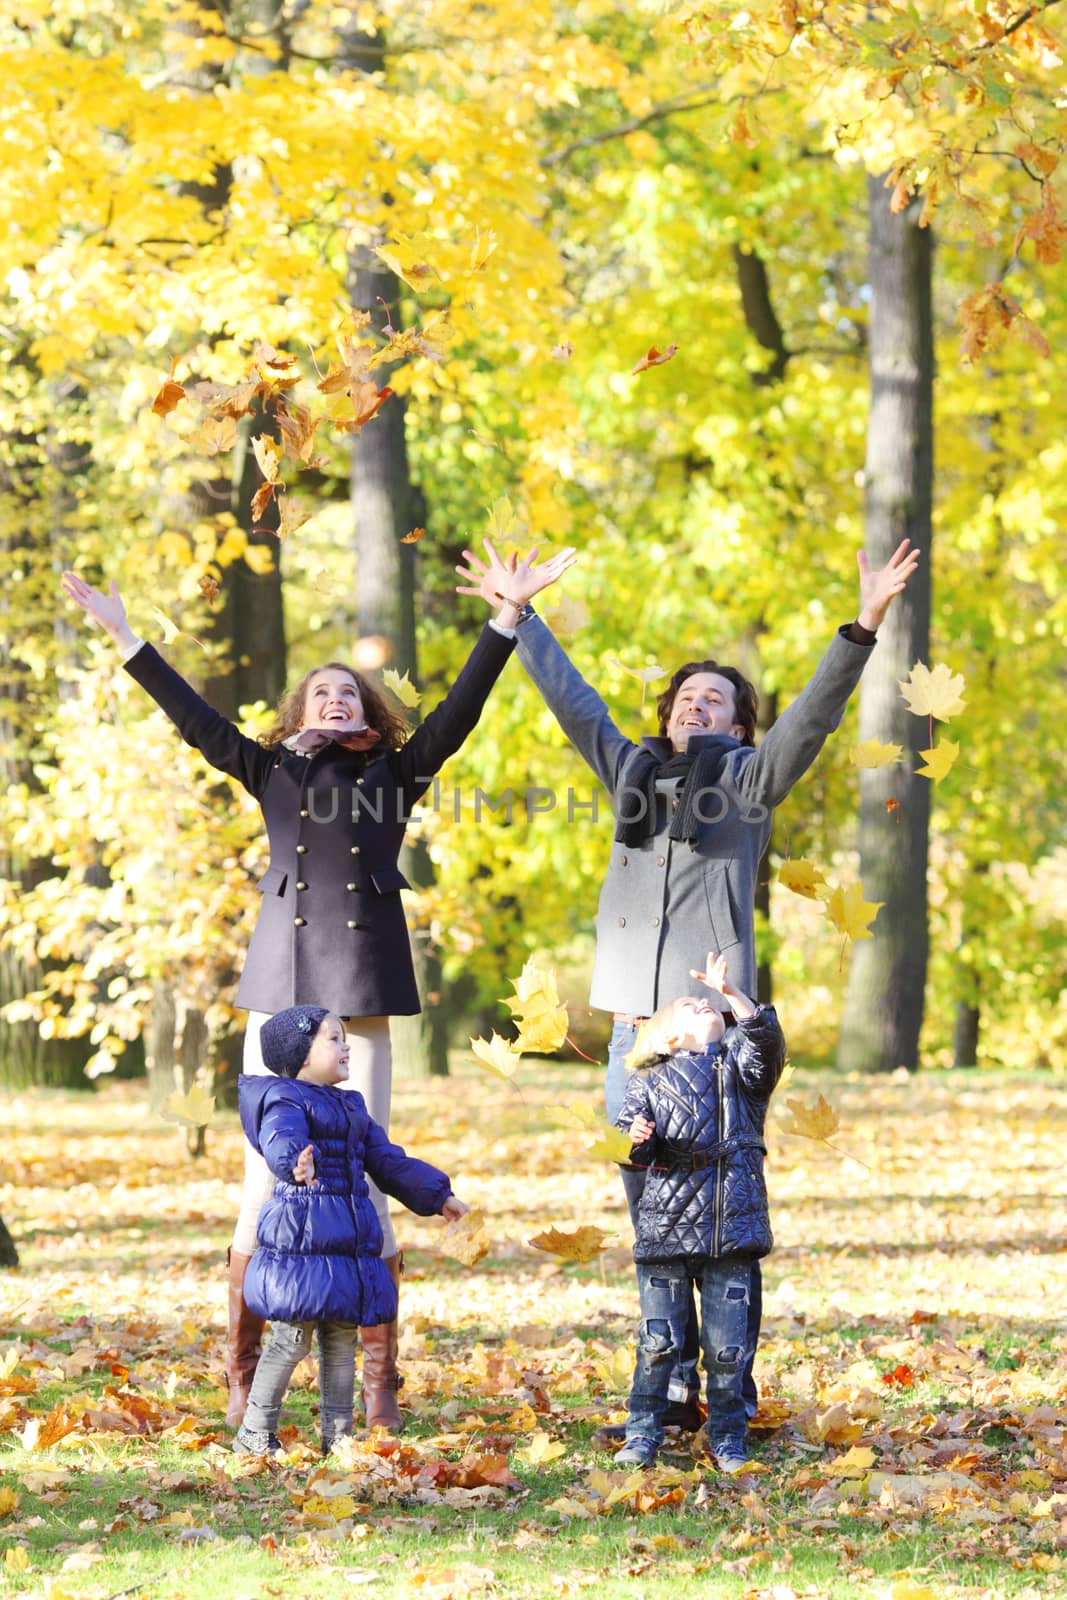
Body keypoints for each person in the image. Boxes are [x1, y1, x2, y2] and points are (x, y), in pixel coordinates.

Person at [60, 548, 574, 1429]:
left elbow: (457, 714)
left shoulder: (393, 772)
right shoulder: (272, 770)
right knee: (261, 1181)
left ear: (366, 710)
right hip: (282, 988)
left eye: (349, 693)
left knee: (363, 1175)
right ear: (299, 711)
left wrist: (504, 620)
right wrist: (124, 635)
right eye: (321, 693)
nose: (336, 701)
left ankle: (376, 1388)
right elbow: (194, 720)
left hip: (361, 987)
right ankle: (242, 1375)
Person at [456, 536, 919, 1432]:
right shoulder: (630, 772)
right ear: (666, 716)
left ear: (738, 726)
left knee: (717, 1221)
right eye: (684, 698)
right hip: (636, 1035)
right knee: (653, 1222)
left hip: (706, 1039)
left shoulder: (748, 781)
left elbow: (811, 722)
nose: (695, 706)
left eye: (716, 699)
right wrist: (518, 616)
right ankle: (664, 1394)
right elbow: (573, 702)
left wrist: (862, 624)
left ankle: (729, 1400)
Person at [234, 1005, 467, 1457]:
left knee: (342, 1340)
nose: (346, 1047)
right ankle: (255, 1431)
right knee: (291, 1339)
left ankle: (337, 1437)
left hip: (348, 1242)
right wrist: (292, 1162)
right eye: (334, 1039)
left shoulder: (351, 1106)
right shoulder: (284, 1099)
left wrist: (437, 1194)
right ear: (301, 1053)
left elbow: (388, 1161)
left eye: (344, 1038)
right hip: (302, 1240)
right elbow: (279, 1137)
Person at [612, 954, 785, 1471]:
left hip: (731, 1228)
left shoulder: (741, 1070)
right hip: (666, 1230)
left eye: (709, 1004)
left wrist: (733, 992)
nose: (704, 1006)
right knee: (658, 1342)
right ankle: (643, 1429)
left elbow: (766, 1044)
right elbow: (626, 1142)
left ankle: (729, 1433)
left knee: (729, 1348)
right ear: (666, 1037)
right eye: (691, 1006)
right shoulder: (647, 1080)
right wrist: (635, 1140)